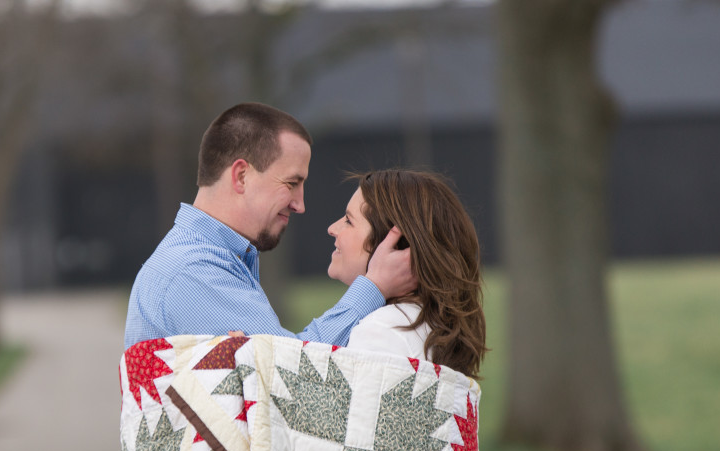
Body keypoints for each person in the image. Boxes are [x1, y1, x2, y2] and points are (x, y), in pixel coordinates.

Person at [124, 102, 416, 349]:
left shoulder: (209, 262)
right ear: (241, 176)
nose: (300, 204)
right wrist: (374, 287)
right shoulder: (192, 272)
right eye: (292, 183)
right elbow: (294, 376)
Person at [326, 168, 486, 378]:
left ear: (394, 244)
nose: (332, 228)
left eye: (349, 220)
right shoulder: (434, 327)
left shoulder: (382, 332)